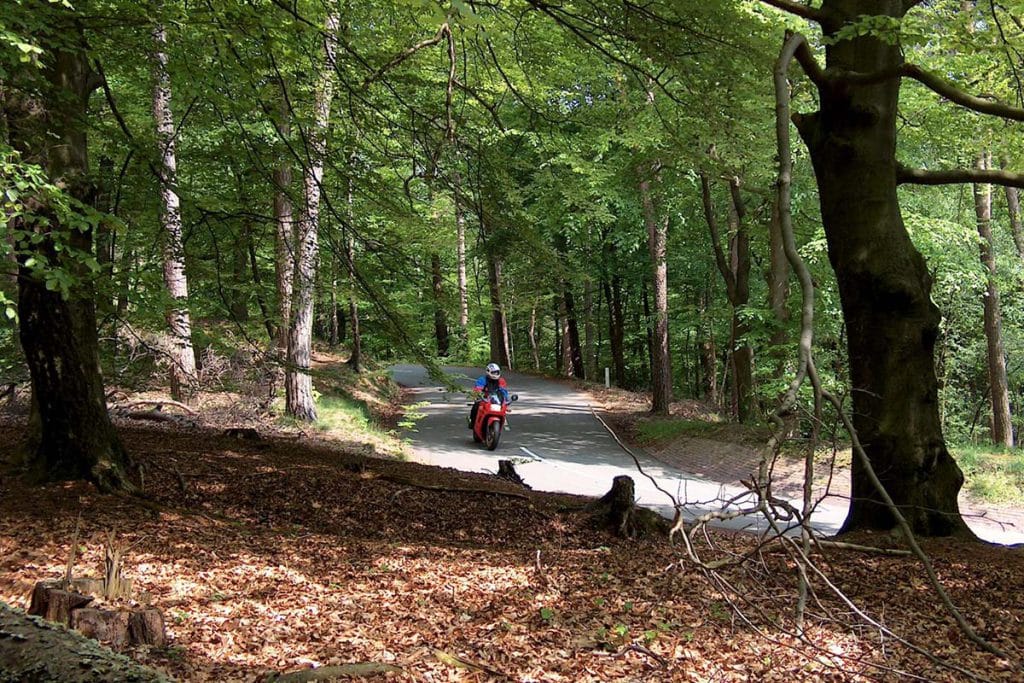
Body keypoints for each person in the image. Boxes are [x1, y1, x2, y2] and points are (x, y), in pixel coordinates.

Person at [468, 362, 510, 429]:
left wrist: (507, 400)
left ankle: (501, 423)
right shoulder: (482, 379)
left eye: (497, 372)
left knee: (503, 409)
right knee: (476, 406)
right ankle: (472, 422)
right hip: (484, 399)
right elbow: (478, 389)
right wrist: (478, 395)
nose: (495, 374)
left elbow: (504, 391)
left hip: (496, 400)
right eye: (493, 372)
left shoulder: (501, 381)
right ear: (488, 371)